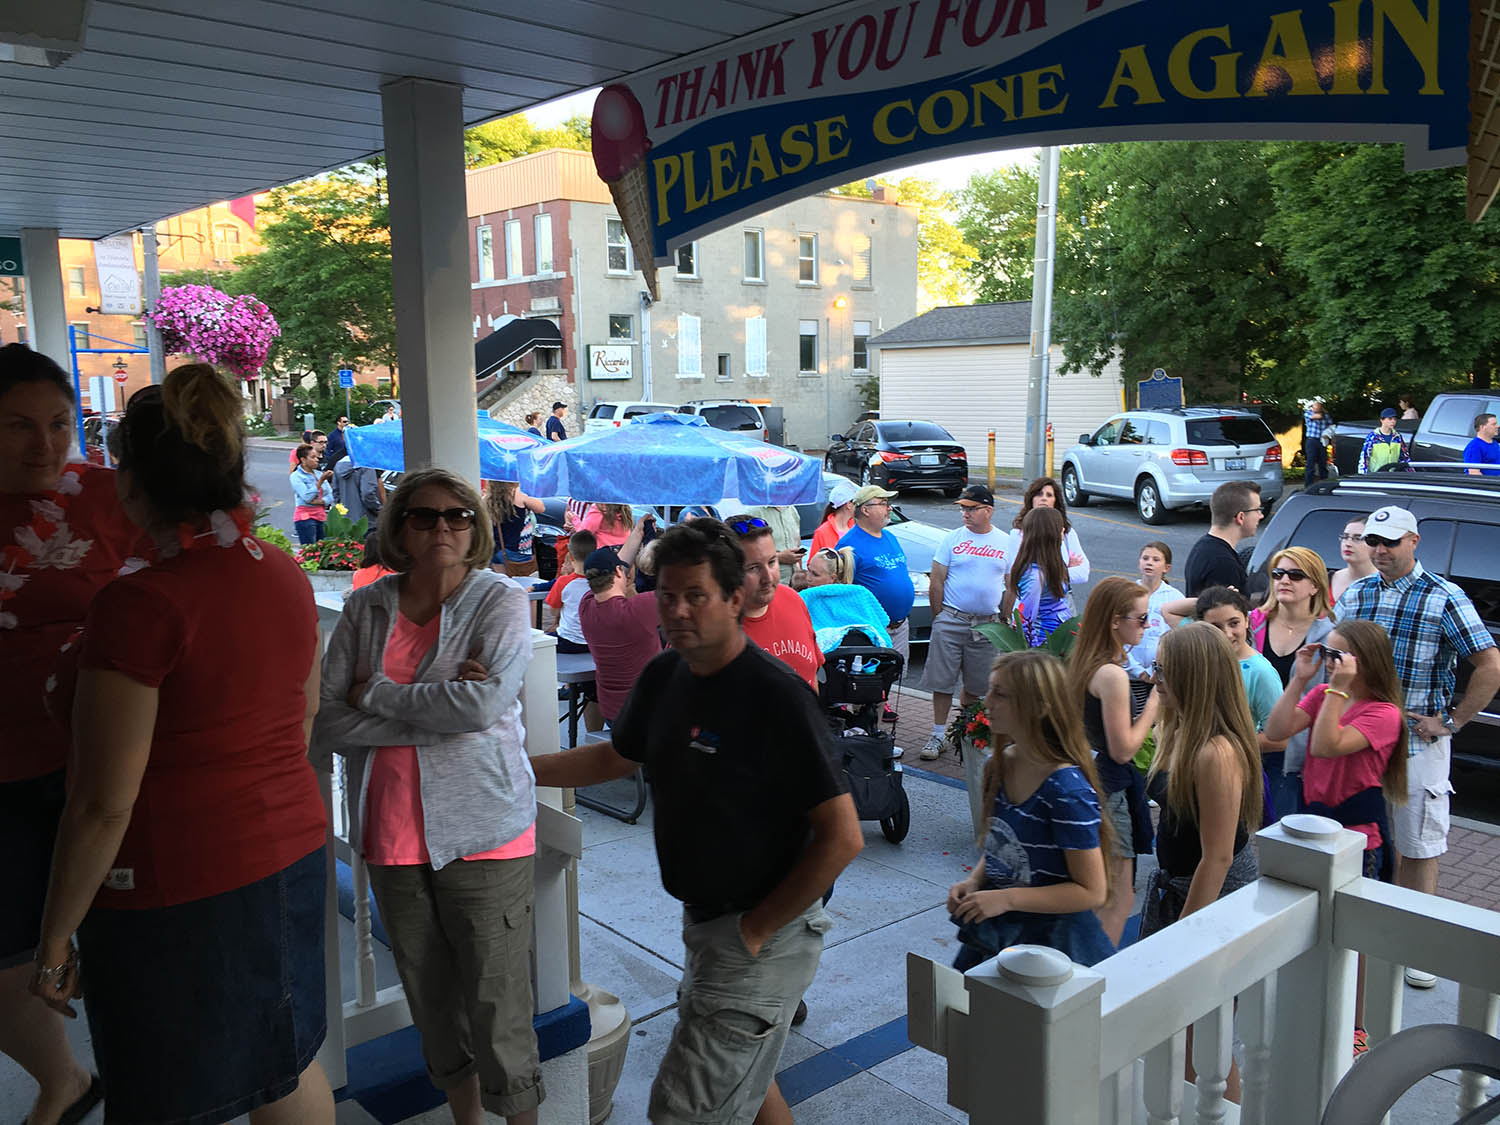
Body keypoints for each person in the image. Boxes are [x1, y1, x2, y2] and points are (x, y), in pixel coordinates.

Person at [33, 365, 333, 1125]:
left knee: (162, 1091)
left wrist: (56, 936)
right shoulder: (282, 575)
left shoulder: (140, 605)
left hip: (176, 883)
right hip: (289, 849)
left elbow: (102, 801)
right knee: (285, 1061)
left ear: (130, 486)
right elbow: (300, 720)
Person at [529, 520, 863, 1125]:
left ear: (735, 600)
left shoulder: (775, 695)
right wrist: (521, 770)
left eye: (697, 596)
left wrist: (756, 930)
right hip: (708, 923)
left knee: (683, 1111)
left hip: (760, 936)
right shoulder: (666, 674)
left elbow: (842, 836)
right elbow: (613, 756)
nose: (678, 611)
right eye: (667, 595)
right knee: (752, 1088)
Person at [313, 468, 544, 1125]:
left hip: (485, 829)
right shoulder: (367, 606)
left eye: (457, 516)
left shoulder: (499, 599)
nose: (442, 526)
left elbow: (482, 705)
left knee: (499, 1004)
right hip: (391, 833)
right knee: (431, 998)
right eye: (424, 516)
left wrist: (378, 694)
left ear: (474, 526)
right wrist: (439, 703)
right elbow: (329, 719)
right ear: (400, 528)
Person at [0, 343, 140, 1125]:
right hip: (4, 763)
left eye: (57, 422)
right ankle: (65, 1077)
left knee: (127, 941)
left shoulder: (108, 494)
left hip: (105, 758)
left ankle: (147, 1082)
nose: (45, 444)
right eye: (18, 424)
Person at [1335, 505, 1500, 986]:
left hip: (1415, 748)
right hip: (1359, 743)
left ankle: (1417, 949)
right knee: (1360, 842)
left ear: (1413, 541)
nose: (1380, 550)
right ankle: (1364, 937)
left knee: (1417, 848)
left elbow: (1489, 663)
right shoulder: (1359, 594)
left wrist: (1450, 722)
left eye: (1390, 541)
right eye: (1373, 541)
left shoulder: (1444, 597)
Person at [1264, 619, 1407, 1056]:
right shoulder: (1328, 693)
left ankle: (1356, 1023)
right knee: (1309, 919)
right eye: (1328, 653)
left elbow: (1326, 745)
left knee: (1351, 933)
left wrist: (1336, 691)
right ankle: (1310, 1003)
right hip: (1312, 819)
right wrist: (1300, 680)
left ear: (1364, 662)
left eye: (1338, 655)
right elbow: (1276, 730)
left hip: (1357, 832)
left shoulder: (1384, 713)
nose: (1330, 663)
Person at [1140, 623, 1263, 1102]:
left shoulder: (1216, 752)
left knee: (1201, 1033)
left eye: (1164, 670)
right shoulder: (1180, 728)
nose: (1155, 679)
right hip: (1179, 886)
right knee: (1181, 1026)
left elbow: (1218, 856)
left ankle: (1223, 1113)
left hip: (1209, 896)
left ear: (1194, 676)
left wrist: (1183, 941)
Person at [946, 651, 1114, 971]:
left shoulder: (1066, 791)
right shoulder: (1000, 764)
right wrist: (976, 880)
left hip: (1055, 946)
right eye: (990, 690)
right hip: (1002, 932)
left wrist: (1006, 899)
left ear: (1039, 707)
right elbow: (1002, 841)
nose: (987, 701)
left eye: (1001, 693)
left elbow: (1091, 891)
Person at [1069, 577, 1160, 945]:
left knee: (1091, 890)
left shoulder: (1083, 661)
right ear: (1114, 621)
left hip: (1086, 781)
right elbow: (1122, 749)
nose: (1147, 625)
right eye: (1140, 618)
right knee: (1119, 897)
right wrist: (1156, 702)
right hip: (1109, 787)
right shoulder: (1111, 675)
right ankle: (1095, 975)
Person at [923, 485, 1010, 767]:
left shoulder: (1005, 542)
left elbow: (1011, 586)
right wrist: (940, 617)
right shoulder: (952, 539)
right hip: (952, 618)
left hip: (987, 625)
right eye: (963, 508)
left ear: (988, 511)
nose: (965, 513)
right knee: (942, 682)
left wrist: (1003, 618)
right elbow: (937, 579)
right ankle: (937, 734)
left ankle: (964, 731)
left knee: (977, 685)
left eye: (971, 508)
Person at [1249, 548, 1335, 817]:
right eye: (1278, 574)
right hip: (1248, 744)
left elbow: (1332, 699)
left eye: (1295, 575)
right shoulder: (1252, 624)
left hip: (1293, 758)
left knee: (1282, 835)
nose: (1284, 580)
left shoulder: (1329, 637)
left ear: (1314, 586)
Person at [728, 513, 822, 692]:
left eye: (772, 562)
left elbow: (812, 674)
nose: (767, 577)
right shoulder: (707, 630)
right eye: (753, 568)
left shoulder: (793, 599)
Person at [578, 529, 661, 726]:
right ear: (618, 572)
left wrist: (638, 532)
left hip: (612, 715)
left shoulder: (586, 606)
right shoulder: (639, 609)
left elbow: (610, 570)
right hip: (646, 713)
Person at [837, 484, 915, 666]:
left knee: (895, 679)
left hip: (900, 626)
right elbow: (842, 591)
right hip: (873, 630)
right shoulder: (849, 545)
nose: (889, 508)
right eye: (883, 503)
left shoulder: (889, 537)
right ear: (865, 510)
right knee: (872, 683)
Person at [799, 547, 893, 653]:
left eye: (815, 574)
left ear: (833, 578)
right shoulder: (860, 593)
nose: (808, 578)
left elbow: (879, 625)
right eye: (808, 570)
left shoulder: (858, 595)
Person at [1182, 480, 1263, 595]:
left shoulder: (1204, 547)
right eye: (1258, 510)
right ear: (1241, 517)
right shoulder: (1223, 564)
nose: (1261, 515)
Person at [1007, 506, 1072, 647]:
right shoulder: (1035, 577)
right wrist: (1036, 658)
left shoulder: (1051, 563)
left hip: (1059, 638)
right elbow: (1025, 622)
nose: (1063, 531)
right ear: (1050, 534)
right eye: (1060, 528)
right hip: (1046, 645)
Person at [1006, 476, 1089, 585]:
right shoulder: (1018, 534)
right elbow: (1019, 575)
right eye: (1039, 494)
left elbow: (1083, 574)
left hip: (1060, 599)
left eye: (1049, 495)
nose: (1044, 498)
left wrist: (1044, 575)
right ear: (1031, 500)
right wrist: (1065, 570)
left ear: (1055, 501)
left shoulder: (1067, 532)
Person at [1124, 540, 1182, 680]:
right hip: (1128, 674)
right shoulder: (1127, 592)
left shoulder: (1175, 597)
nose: (1149, 562)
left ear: (1166, 568)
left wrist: (1156, 670)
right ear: (1139, 563)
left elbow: (1178, 638)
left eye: (1156, 560)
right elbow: (1118, 638)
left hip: (1161, 675)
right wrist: (1138, 671)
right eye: (1145, 558)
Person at [546, 530, 597, 655]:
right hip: (595, 643)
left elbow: (553, 611)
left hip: (568, 641)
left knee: (541, 644)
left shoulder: (563, 582)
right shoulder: (602, 581)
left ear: (571, 557)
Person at [487, 480, 545, 578]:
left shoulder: (488, 498)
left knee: (503, 583)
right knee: (524, 583)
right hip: (517, 551)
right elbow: (541, 508)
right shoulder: (517, 494)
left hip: (496, 549)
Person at [740, 503, 804, 586]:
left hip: (795, 583)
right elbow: (745, 553)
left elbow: (797, 543)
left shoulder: (791, 509)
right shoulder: (754, 511)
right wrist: (779, 557)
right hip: (769, 584)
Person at [290, 441, 335, 545]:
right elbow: (307, 497)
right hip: (305, 517)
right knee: (309, 551)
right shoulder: (296, 476)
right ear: (303, 460)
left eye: (316, 457)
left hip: (321, 516)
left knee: (322, 550)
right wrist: (320, 482)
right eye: (313, 457)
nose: (316, 460)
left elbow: (330, 495)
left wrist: (321, 501)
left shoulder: (319, 474)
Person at [1330, 518, 1375, 603]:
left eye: (1358, 538)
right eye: (1345, 537)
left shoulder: (1386, 585)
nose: (1348, 544)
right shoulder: (1325, 580)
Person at [809, 477, 858, 554]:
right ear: (848, 504)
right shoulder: (822, 532)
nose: (858, 507)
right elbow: (812, 563)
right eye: (856, 503)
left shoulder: (856, 528)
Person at [334, 453, 384, 527]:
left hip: (346, 521)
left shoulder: (338, 465)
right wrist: (379, 510)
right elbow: (367, 493)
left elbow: (336, 494)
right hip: (366, 521)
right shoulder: (367, 466)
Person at [1358, 408, 1411, 474]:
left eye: (1394, 419)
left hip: (1393, 476)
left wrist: (1411, 473)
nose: (1393, 421)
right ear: (1382, 420)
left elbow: (1405, 458)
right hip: (1376, 476)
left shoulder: (1397, 437)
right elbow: (1364, 458)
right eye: (1390, 419)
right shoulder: (1373, 437)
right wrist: (1363, 476)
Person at [1304, 401, 1333, 486]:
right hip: (1312, 441)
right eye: (1315, 407)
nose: (1316, 409)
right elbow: (1317, 416)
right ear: (1312, 408)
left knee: (1322, 464)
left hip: (1322, 441)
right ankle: (1308, 485)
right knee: (1310, 464)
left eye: (1318, 407)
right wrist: (1323, 412)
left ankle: (1324, 483)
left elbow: (1330, 426)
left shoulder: (1326, 416)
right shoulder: (1308, 413)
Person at [1464, 411, 1500, 476]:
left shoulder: (1495, 443)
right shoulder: (1474, 447)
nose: (1498, 426)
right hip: (1489, 484)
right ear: (1482, 427)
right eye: (1494, 424)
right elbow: (1474, 473)